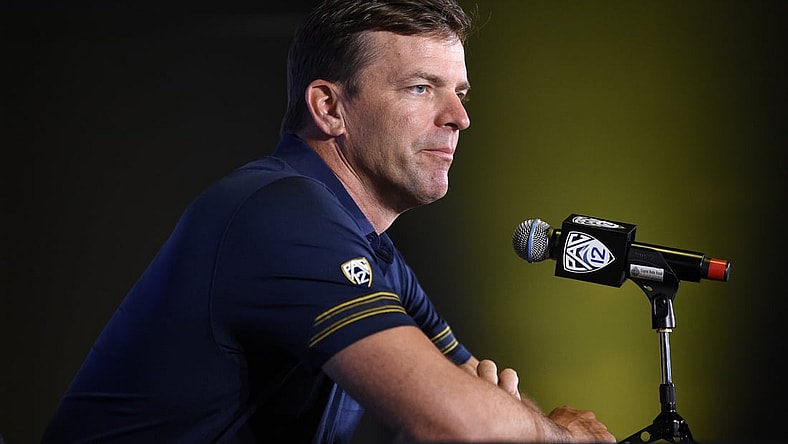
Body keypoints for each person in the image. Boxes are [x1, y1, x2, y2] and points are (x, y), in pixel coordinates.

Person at [42, 1, 616, 442]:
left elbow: (478, 403)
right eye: (422, 88)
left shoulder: (376, 257)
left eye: (460, 92)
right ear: (330, 107)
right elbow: (462, 421)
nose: (460, 117)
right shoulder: (279, 212)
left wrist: (510, 421)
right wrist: (560, 434)